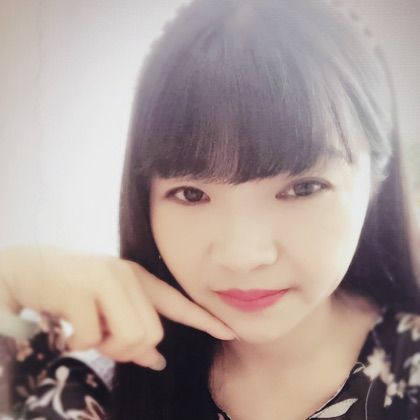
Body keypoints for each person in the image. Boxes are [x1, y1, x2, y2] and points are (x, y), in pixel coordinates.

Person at [1, 0, 420, 418]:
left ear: (375, 180)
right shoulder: (92, 383)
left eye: (303, 188)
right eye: (191, 194)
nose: (243, 257)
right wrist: (9, 281)